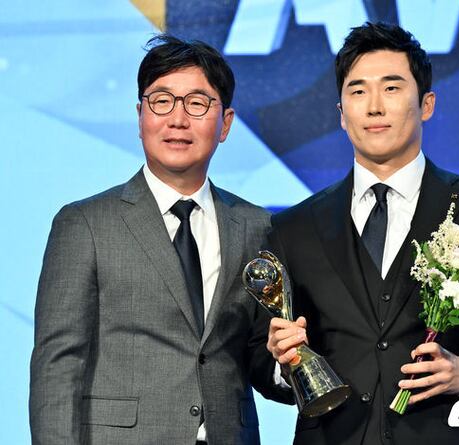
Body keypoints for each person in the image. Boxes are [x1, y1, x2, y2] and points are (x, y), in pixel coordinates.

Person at [266, 22, 459, 444]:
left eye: (391, 88)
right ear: (341, 114)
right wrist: (284, 364)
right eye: (357, 91)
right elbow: (260, 355)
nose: (374, 107)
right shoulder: (293, 227)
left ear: (426, 104)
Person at [29, 34, 292, 445]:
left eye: (197, 103)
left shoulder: (256, 225)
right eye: (162, 101)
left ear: (225, 123)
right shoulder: (85, 224)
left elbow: (259, 352)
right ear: (140, 116)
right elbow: (57, 367)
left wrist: (287, 364)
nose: (178, 119)